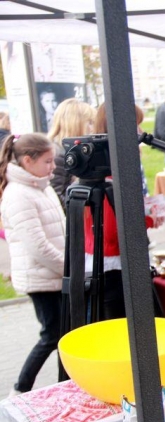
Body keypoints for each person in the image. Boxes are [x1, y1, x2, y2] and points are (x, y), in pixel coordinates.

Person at [0, 133, 64, 395]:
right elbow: (38, 247)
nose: (54, 167)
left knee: (63, 335)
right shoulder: (18, 195)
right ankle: (21, 388)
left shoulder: (41, 185)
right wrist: (69, 267)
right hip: (42, 279)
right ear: (28, 161)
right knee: (52, 335)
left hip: (54, 274)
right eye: (48, 161)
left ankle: (66, 383)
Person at [84, 103, 153, 320]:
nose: (140, 133)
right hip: (113, 265)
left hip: (105, 259)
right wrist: (147, 220)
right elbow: (114, 231)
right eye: (135, 126)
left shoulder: (102, 168)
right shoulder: (108, 176)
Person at [48, 98, 96, 206]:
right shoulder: (58, 155)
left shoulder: (71, 151)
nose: (93, 128)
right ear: (74, 123)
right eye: (90, 122)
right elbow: (57, 199)